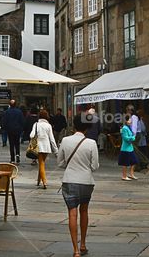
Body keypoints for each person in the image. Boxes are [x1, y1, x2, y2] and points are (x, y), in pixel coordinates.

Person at [57, 114, 100, 257]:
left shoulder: (65, 140)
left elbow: (60, 163)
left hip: (69, 180)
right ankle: (83, 244)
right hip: (86, 182)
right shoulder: (91, 143)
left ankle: (75, 250)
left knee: (72, 212)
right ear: (87, 128)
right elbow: (94, 166)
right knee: (84, 211)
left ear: (74, 125)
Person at [32, 109, 59, 188]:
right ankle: (38, 180)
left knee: (41, 163)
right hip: (47, 147)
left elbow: (31, 135)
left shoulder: (36, 124)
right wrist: (56, 151)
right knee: (42, 162)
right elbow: (52, 139)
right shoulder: (49, 126)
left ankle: (44, 181)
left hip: (39, 147)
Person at [118, 110, 137, 180]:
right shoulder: (124, 128)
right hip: (125, 148)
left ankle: (131, 174)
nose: (131, 121)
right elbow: (125, 138)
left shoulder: (129, 127)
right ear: (126, 121)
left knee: (134, 161)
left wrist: (132, 137)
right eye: (129, 120)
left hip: (130, 148)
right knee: (125, 163)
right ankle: (124, 176)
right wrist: (133, 138)